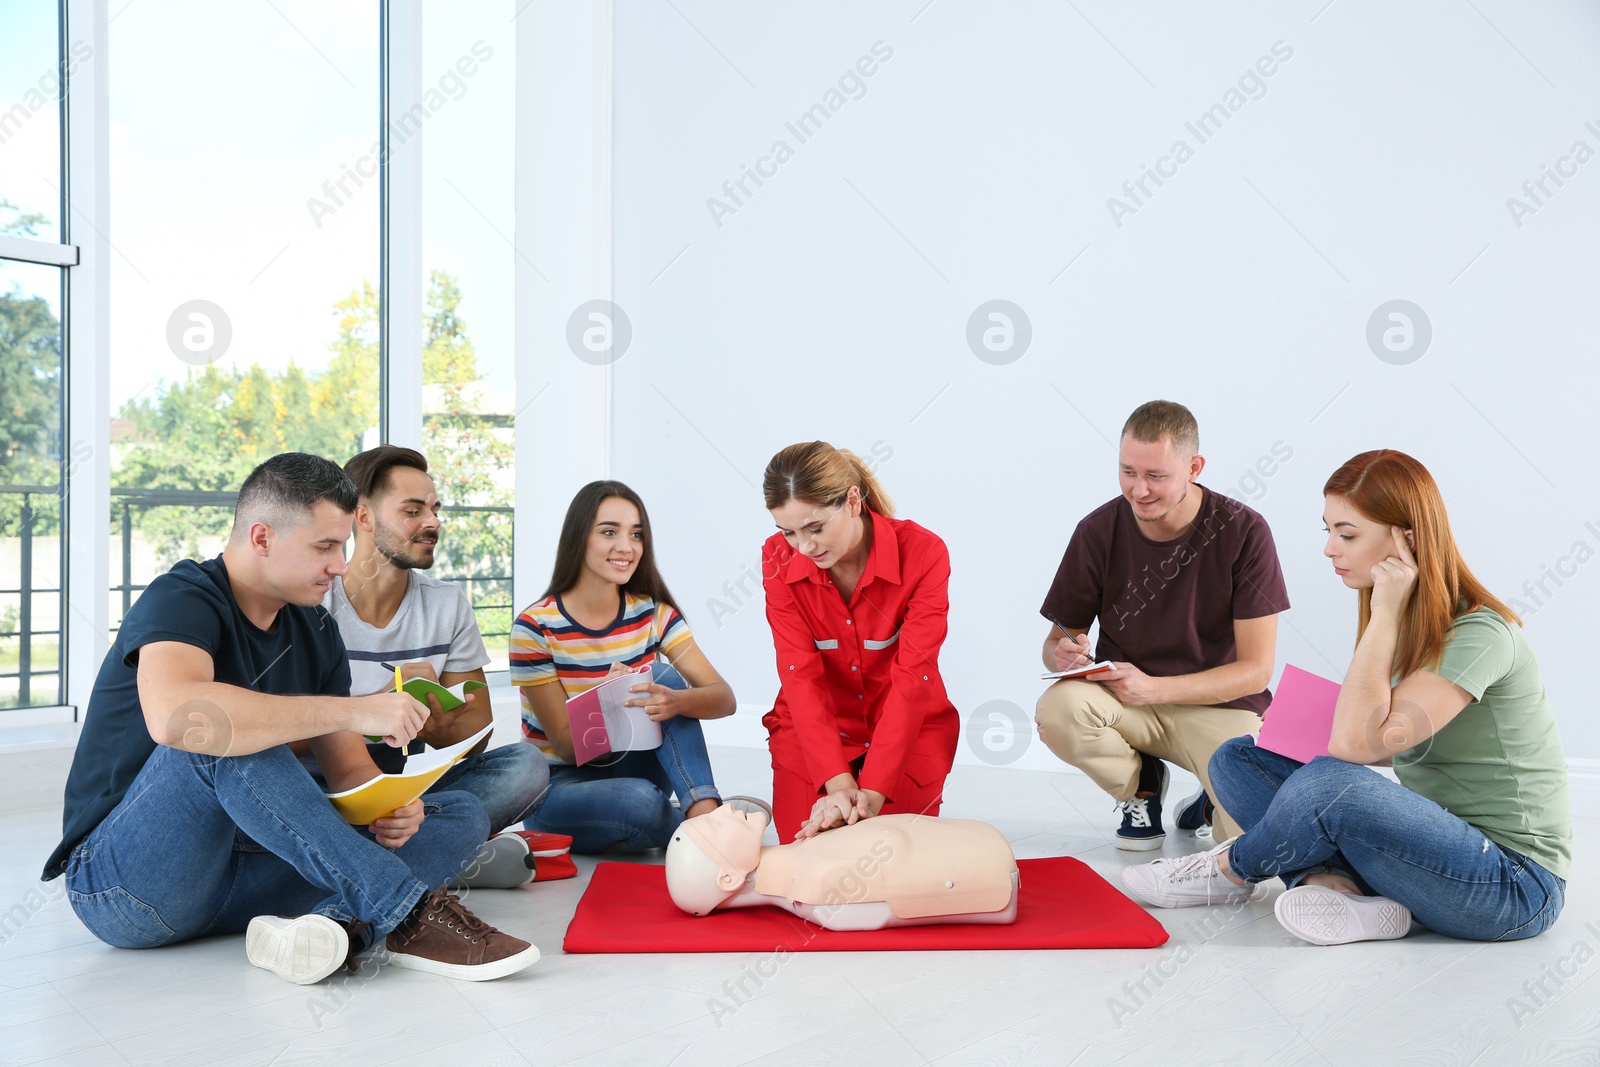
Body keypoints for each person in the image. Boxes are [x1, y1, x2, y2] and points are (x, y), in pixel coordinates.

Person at [43, 453, 539, 984]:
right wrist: (356, 709)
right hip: (130, 887)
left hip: (254, 874)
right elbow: (178, 718)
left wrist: (391, 809)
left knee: (457, 812)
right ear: (262, 537)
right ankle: (409, 914)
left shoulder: (316, 630)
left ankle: (329, 931)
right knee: (221, 736)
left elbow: (350, 772)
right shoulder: (182, 597)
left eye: (343, 545)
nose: (342, 565)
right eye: (324, 547)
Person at [1123, 451, 1571, 945]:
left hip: (1513, 885)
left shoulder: (1480, 634)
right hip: (1427, 851)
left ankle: (1232, 868)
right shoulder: (1408, 626)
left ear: (1408, 540)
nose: (1330, 549)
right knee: (1237, 758)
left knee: (1331, 783)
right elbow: (1384, 745)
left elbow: (1355, 749)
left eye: (1348, 534)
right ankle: (1335, 890)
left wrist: (1382, 616)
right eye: (1328, 531)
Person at [1034, 401, 1289, 849]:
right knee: (1058, 710)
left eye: (1156, 476)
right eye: (1128, 471)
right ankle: (1143, 786)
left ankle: (1213, 798)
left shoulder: (1245, 531)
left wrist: (1155, 688)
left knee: (1250, 847)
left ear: (1194, 467)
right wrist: (1062, 650)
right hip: (1126, 704)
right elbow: (1059, 637)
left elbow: (1256, 670)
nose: (1139, 490)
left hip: (1221, 707)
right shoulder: (1097, 530)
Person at [325, 445, 550, 887]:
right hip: (332, 790)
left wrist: (429, 723)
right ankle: (443, 856)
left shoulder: (445, 604)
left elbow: (478, 730)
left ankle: (401, 857)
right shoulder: (317, 602)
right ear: (363, 517)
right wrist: (384, 707)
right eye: (413, 511)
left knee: (527, 767)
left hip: (409, 793)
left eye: (434, 508)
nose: (432, 522)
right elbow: (289, 733)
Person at [509, 480, 737, 852]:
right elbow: (568, 748)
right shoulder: (535, 627)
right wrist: (607, 701)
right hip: (558, 788)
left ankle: (705, 816)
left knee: (661, 676)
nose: (626, 547)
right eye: (609, 532)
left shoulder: (654, 614)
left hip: (634, 764)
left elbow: (724, 698)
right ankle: (714, 827)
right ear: (579, 537)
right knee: (639, 801)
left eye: (636, 534)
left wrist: (676, 702)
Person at [761, 441, 960, 844]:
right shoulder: (777, 558)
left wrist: (865, 797)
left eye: (815, 528)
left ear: (853, 500)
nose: (804, 547)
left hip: (906, 734)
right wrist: (836, 785)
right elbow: (799, 676)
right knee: (809, 864)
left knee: (890, 862)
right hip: (815, 738)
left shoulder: (924, 553)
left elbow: (913, 676)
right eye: (789, 532)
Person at [666, 806, 1019, 928]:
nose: (723, 811)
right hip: (990, 860)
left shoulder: (809, 867)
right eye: (713, 826)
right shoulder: (818, 889)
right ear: (728, 878)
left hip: (983, 847)